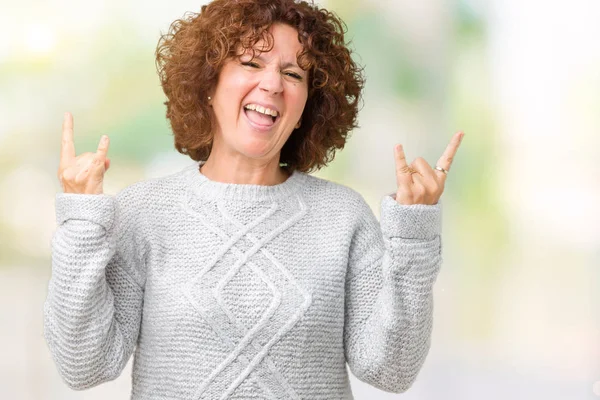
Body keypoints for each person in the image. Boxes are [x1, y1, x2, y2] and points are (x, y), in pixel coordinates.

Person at [44, 0, 465, 398]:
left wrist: (414, 232)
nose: (272, 84)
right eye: (250, 63)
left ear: (308, 105)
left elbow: (389, 370)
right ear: (209, 83)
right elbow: (85, 366)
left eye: (294, 74)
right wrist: (81, 222)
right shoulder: (142, 212)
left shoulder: (343, 218)